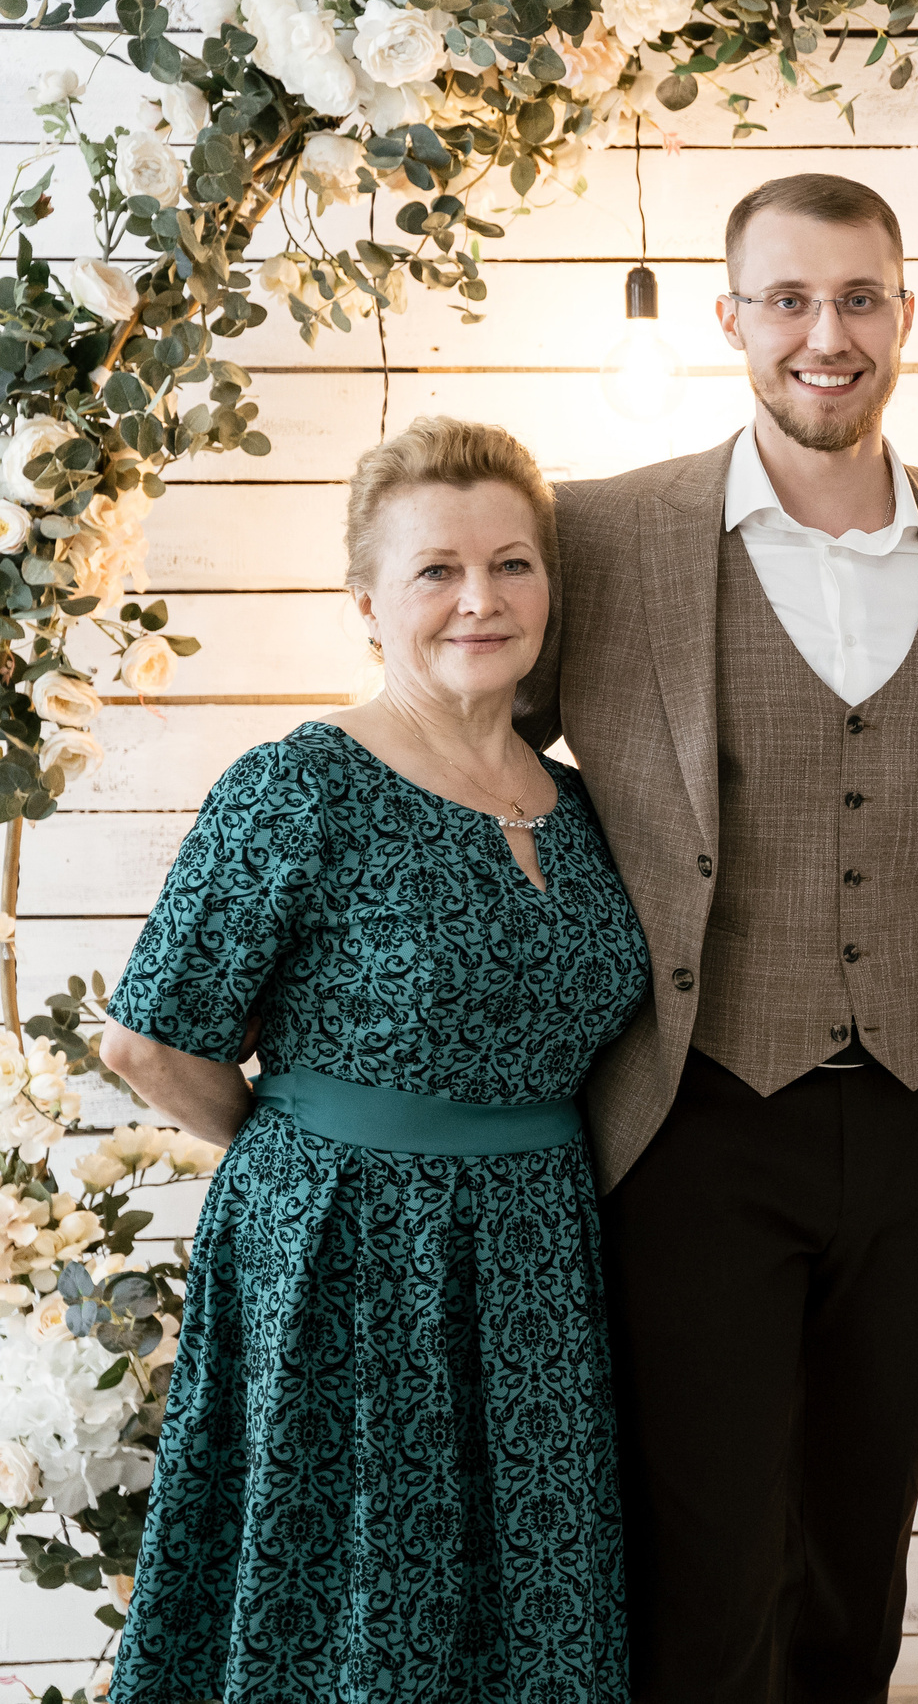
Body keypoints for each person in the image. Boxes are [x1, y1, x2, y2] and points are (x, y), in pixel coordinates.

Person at [510, 174, 918, 1702]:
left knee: (859, 1537)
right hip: (690, 1114)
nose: (829, 334)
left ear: (906, 310)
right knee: (706, 1541)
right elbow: (476, 756)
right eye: (791, 300)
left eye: (861, 298)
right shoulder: (605, 534)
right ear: (732, 320)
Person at [99, 417, 648, 1702]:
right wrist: (310, 1165)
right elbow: (149, 1041)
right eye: (436, 570)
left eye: (513, 565)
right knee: (353, 1597)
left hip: (536, 1260)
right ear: (367, 602)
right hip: (347, 1254)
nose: (480, 598)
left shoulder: (583, 803)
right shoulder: (301, 786)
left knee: (528, 1594)